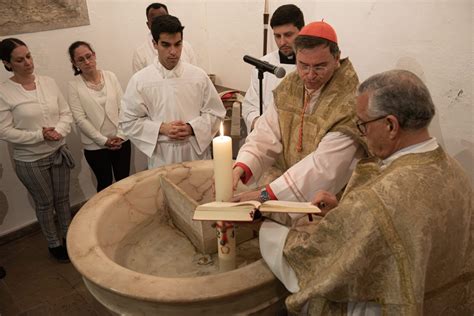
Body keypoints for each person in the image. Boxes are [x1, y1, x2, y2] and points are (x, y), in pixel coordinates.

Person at [259, 70, 473, 315]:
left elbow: (311, 264)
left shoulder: (377, 199)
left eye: (362, 125)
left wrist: (266, 227)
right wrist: (345, 211)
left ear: (390, 125)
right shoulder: (455, 170)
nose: (362, 134)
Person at [232, 21, 366, 203]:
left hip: (328, 197)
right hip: (285, 184)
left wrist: (266, 195)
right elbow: (266, 132)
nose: (310, 75)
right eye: (303, 65)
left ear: (337, 59)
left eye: (319, 66)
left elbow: (324, 168)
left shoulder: (349, 103)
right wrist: (243, 165)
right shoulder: (291, 85)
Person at [0, 38, 74, 263]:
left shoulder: (48, 82)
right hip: (30, 160)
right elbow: (4, 130)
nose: (27, 63)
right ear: (7, 63)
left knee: (62, 199)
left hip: (58, 151)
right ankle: (53, 242)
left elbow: (66, 113)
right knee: (45, 203)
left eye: (29, 56)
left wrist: (58, 131)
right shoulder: (4, 92)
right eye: (20, 60)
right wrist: (39, 135)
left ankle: (70, 236)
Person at [120, 15, 226, 169]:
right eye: (166, 45)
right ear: (155, 44)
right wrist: (162, 128)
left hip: (195, 153)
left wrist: (191, 127)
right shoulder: (140, 81)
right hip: (162, 156)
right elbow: (128, 121)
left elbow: (216, 113)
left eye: (178, 44)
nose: (173, 52)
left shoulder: (198, 76)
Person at [67, 41, 131, 192]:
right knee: (105, 185)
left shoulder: (110, 76)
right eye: (81, 59)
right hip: (95, 145)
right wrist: (104, 141)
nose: (87, 62)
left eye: (89, 56)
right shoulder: (73, 85)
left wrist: (121, 135)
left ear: (94, 55)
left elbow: (123, 107)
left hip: (122, 139)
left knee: (125, 182)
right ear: (74, 63)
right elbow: (80, 119)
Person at [242, 4, 304, 134]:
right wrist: (257, 122)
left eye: (288, 35)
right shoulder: (264, 64)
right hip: (268, 137)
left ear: (302, 31)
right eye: (277, 36)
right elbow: (249, 106)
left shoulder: (312, 65)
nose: (282, 42)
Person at [132, 2, 197, 73]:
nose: (160, 22)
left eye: (163, 17)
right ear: (148, 24)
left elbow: (193, 75)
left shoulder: (187, 47)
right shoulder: (140, 53)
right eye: (155, 20)